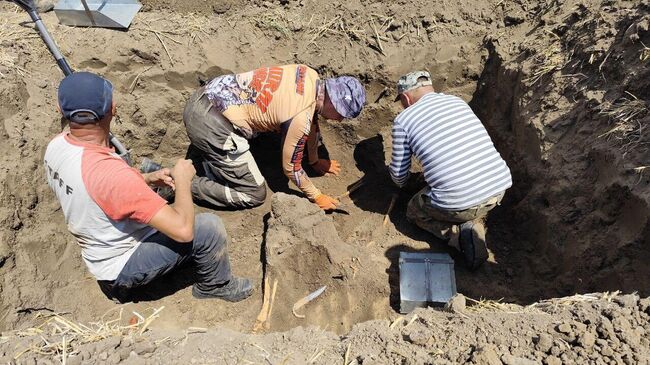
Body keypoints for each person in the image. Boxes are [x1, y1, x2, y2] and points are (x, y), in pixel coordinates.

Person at [44, 72, 252, 303]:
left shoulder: (56, 147)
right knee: (208, 229)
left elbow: (96, 188)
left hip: (97, 249)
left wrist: (146, 178)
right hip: (121, 269)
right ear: (112, 108)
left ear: (59, 109)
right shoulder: (113, 176)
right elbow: (183, 231)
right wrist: (183, 180)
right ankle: (215, 286)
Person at [183, 64, 365, 210]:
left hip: (211, 92)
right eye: (342, 114)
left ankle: (212, 160)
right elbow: (291, 168)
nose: (340, 120)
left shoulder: (308, 74)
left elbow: (312, 120)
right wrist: (316, 196)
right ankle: (183, 185)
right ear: (332, 103)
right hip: (210, 126)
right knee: (254, 194)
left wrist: (315, 161)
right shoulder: (300, 117)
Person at [389, 71, 512, 270]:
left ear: (405, 97)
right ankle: (474, 215)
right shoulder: (458, 102)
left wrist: (406, 183)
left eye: (401, 101)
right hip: (498, 189)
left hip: (460, 203)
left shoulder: (404, 120)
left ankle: (459, 235)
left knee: (413, 210)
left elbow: (399, 176)